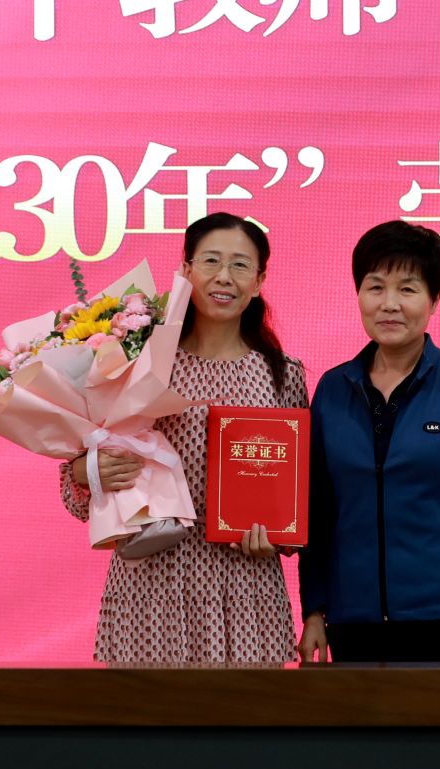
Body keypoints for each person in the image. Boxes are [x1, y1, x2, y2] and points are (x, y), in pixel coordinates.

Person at [60, 213, 308, 666]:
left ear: (259, 282)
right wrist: (88, 470)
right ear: (186, 270)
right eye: (210, 261)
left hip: (246, 590)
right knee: (149, 711)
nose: (224, 277)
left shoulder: (283, 376)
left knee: (247, 710)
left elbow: (296, 489)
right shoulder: (138, 362)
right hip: (152, 584)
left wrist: (280, 536)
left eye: (240, 265)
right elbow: (75, 484)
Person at [298, 220, 440, 664]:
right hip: (352, 619)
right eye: (375, 287)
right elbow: (318, 508)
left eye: (408, 289)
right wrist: (315, 610)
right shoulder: (333, 389)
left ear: (435, 299)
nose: (390, 304)